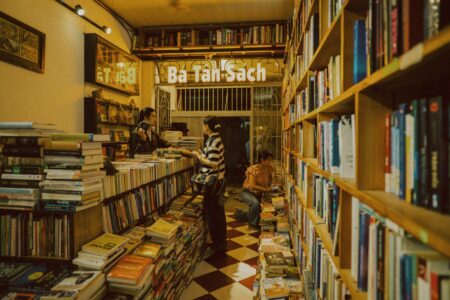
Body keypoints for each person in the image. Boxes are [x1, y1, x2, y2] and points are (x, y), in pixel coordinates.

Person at [182, 116, 227, 255]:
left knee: (214, 214)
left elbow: (212, 162)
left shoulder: (213, 141)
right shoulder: (215, 139)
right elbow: (212, 157)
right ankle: (220, 242)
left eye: (203, 125)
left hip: (213, 183)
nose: (203, 127)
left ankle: (219, 245)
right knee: (217, 214)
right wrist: (200, 153)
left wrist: (197, 155)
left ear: (207, 126)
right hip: (217, 182)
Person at [240, 150, 274, 230]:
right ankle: (252, 225)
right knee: (255, 204)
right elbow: (252, 186)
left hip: (259, 193)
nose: (270, 162)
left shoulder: (269, 168)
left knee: (261, 206)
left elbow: (270, 181)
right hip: (247, 192)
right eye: (268, 160)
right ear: (262, 160)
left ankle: (241, 214)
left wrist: (271, 187)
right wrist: (266, 190)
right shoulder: (253, 169)